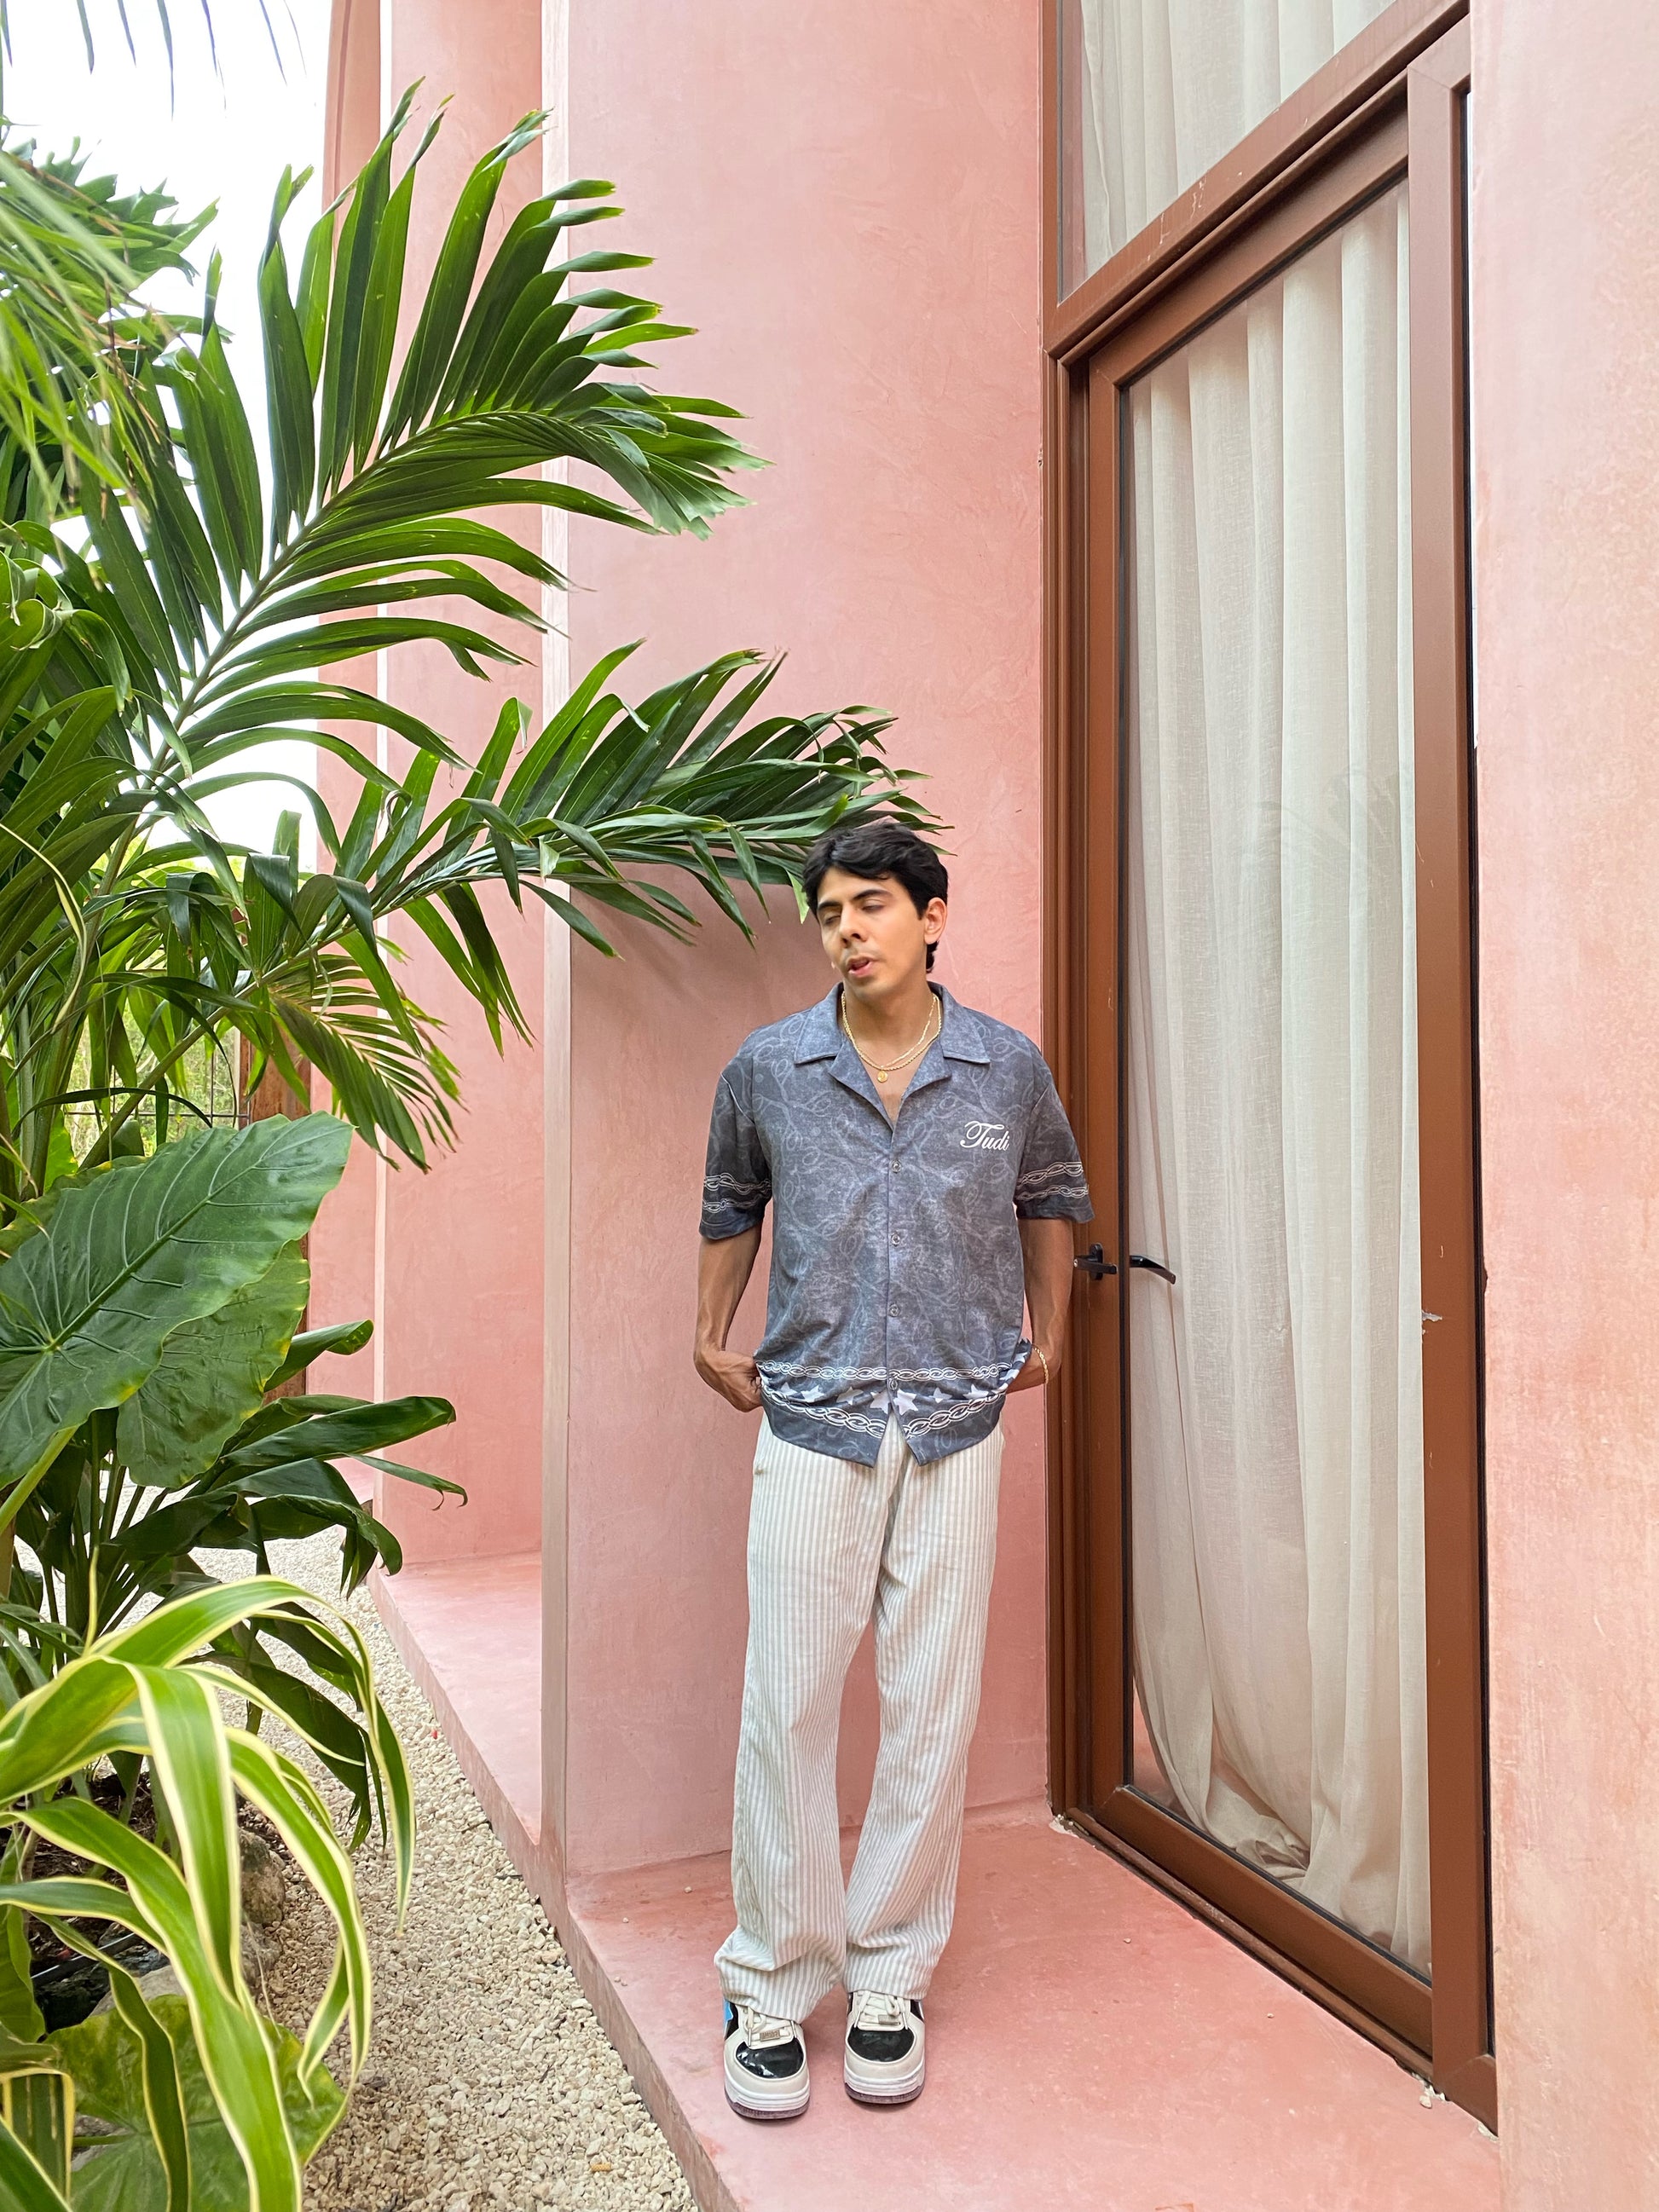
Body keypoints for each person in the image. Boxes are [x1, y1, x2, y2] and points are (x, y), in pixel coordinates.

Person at [693, 820, 1093, 2121]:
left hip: (956, 1421)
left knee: (931, 1705)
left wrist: (1047, 1336)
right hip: (813, 1418)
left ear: (931, 917)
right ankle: (770, 1979)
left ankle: (887, 1976)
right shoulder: (769, 1067)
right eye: (827, 912)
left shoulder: (1003, 1067)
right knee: (787, 1703)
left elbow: (1051, 1197)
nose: (845, 931)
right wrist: (707, 1333)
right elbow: (729, 1203)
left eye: (869, 904)